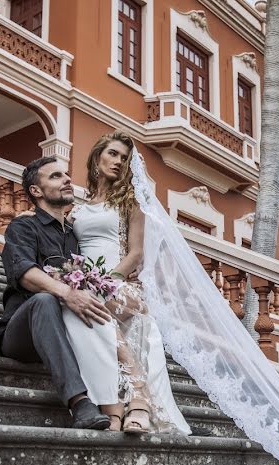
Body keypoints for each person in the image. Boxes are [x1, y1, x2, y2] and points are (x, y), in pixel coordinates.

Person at [63, 131, 190, 435]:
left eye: (124, 158)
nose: (119, 161)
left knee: (92, 300)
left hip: (121, 286)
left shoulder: (130, 201)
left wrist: (109, 280)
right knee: (86, 306)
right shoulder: (77, 209)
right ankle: (135, 400)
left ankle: (135, 400)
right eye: (113, 154)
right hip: (90, 284)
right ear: (97, 158)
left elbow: (136, 253)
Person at [0, 156, 117, 430]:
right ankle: (80, 403)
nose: (67, 179)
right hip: (22, 334)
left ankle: (131, 404)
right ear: (36, 191)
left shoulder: (75, 235)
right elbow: (23, 271)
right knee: (46, 299)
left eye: (67, 175)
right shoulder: (23, 226)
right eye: (56, 176)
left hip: (68, 330)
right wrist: (67, 293)